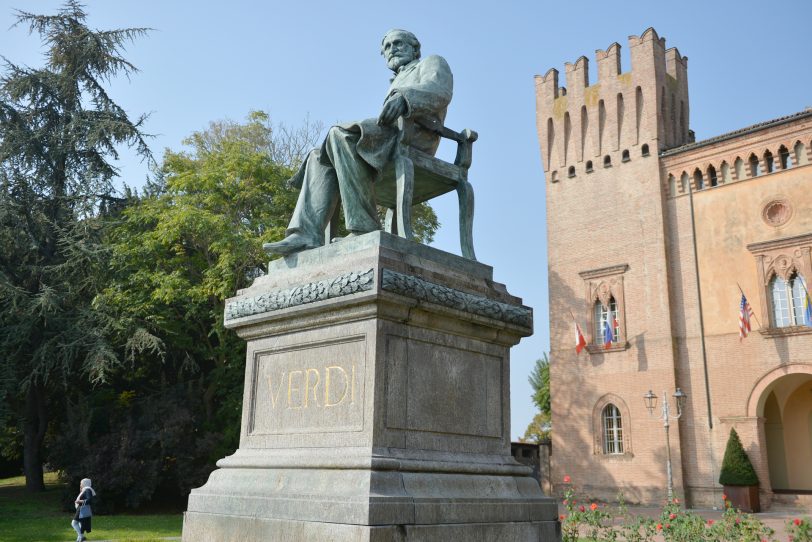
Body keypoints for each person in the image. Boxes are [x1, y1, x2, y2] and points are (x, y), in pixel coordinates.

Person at [263, 29, 453, 255]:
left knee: (339, 134)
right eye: (387, 47)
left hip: (414, 139)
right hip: (390, 139)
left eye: (398, 43)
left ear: (415, 48)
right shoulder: (397, 78)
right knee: (319, 156)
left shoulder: (431, 62)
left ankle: (364, 228)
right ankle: (306, 234)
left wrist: (404, 98)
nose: (392, 50)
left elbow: (439, 91)